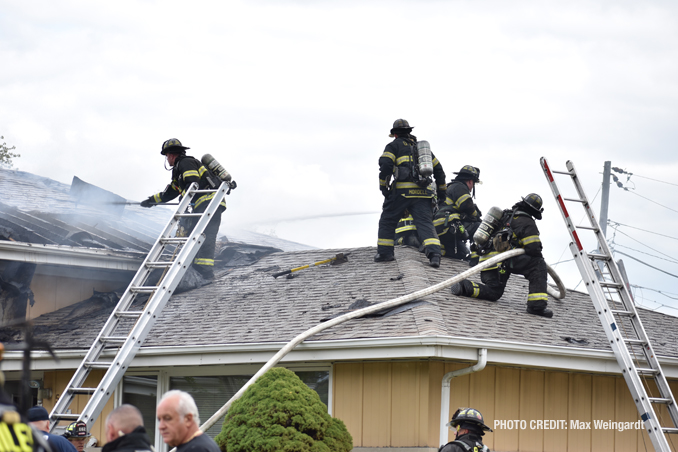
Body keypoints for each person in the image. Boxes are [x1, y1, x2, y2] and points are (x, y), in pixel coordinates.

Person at [451, 193, 553, 318]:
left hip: (486, 261)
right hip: (502, 262)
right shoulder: (527, 222)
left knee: (494, 292)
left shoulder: (504, 216)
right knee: (538, 264)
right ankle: (537, 306)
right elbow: (534, 249)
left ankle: (463, 286)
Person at [140, 138, 229, 280]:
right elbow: (170, 192)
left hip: (208, 203)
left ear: (170, 155)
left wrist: (185, 201)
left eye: (166, 156)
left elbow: (192, 183)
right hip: (202, 206)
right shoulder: (178, 171)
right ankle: (198, 269)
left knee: (206, 237)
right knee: (196, 237)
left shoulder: (185, 163)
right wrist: (151, 201)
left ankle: (205, 273)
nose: (167, 159)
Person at [376, 119, 446, 268]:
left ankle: (385, 253)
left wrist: (384, 188)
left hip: (402, 193)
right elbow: (439, 171)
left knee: (387, 220)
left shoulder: (393, 146)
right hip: (423, 194)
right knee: (425, 224)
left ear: (395, 134)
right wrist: (442, 194)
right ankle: (435, 255)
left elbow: (386, 165)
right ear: (409, 132)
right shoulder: (422, 151)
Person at [434, 166, 482, 260]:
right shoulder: (459, 187)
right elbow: (467, 206)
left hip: (441, 229)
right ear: (470, 181)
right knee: (479, 227)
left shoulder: (451, 187)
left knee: (462, 253)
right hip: (449, 227)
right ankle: (477, 257)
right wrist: (476, 217)